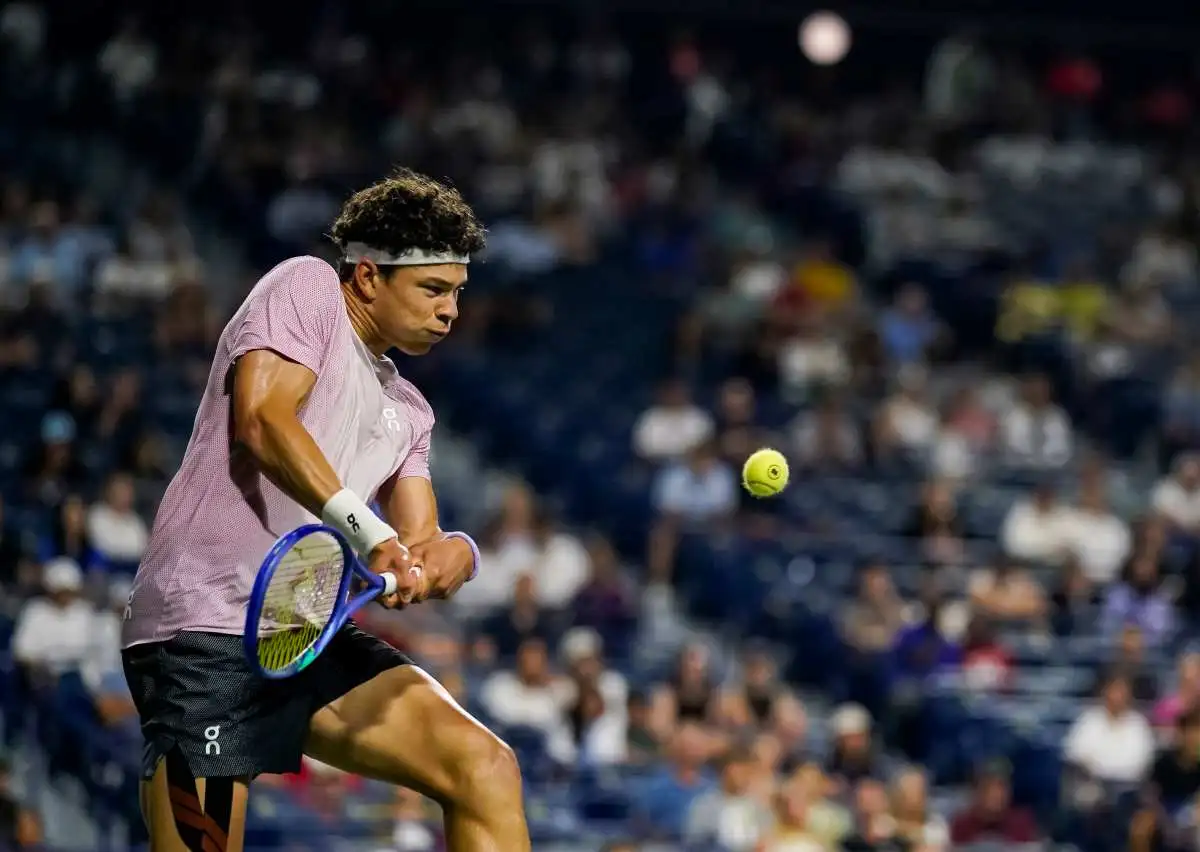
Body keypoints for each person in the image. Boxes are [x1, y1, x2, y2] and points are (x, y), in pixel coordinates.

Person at [120, 170, 531, 852]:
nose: (451, 312)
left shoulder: (410, 411)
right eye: (433, 289)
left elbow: (421, 539)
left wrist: (455, 555)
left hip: (303, 634)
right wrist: (370, 536)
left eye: (457, 293)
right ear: (368, 277)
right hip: (205, 629)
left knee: (483, 766)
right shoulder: (307, 288)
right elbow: (263, 420)